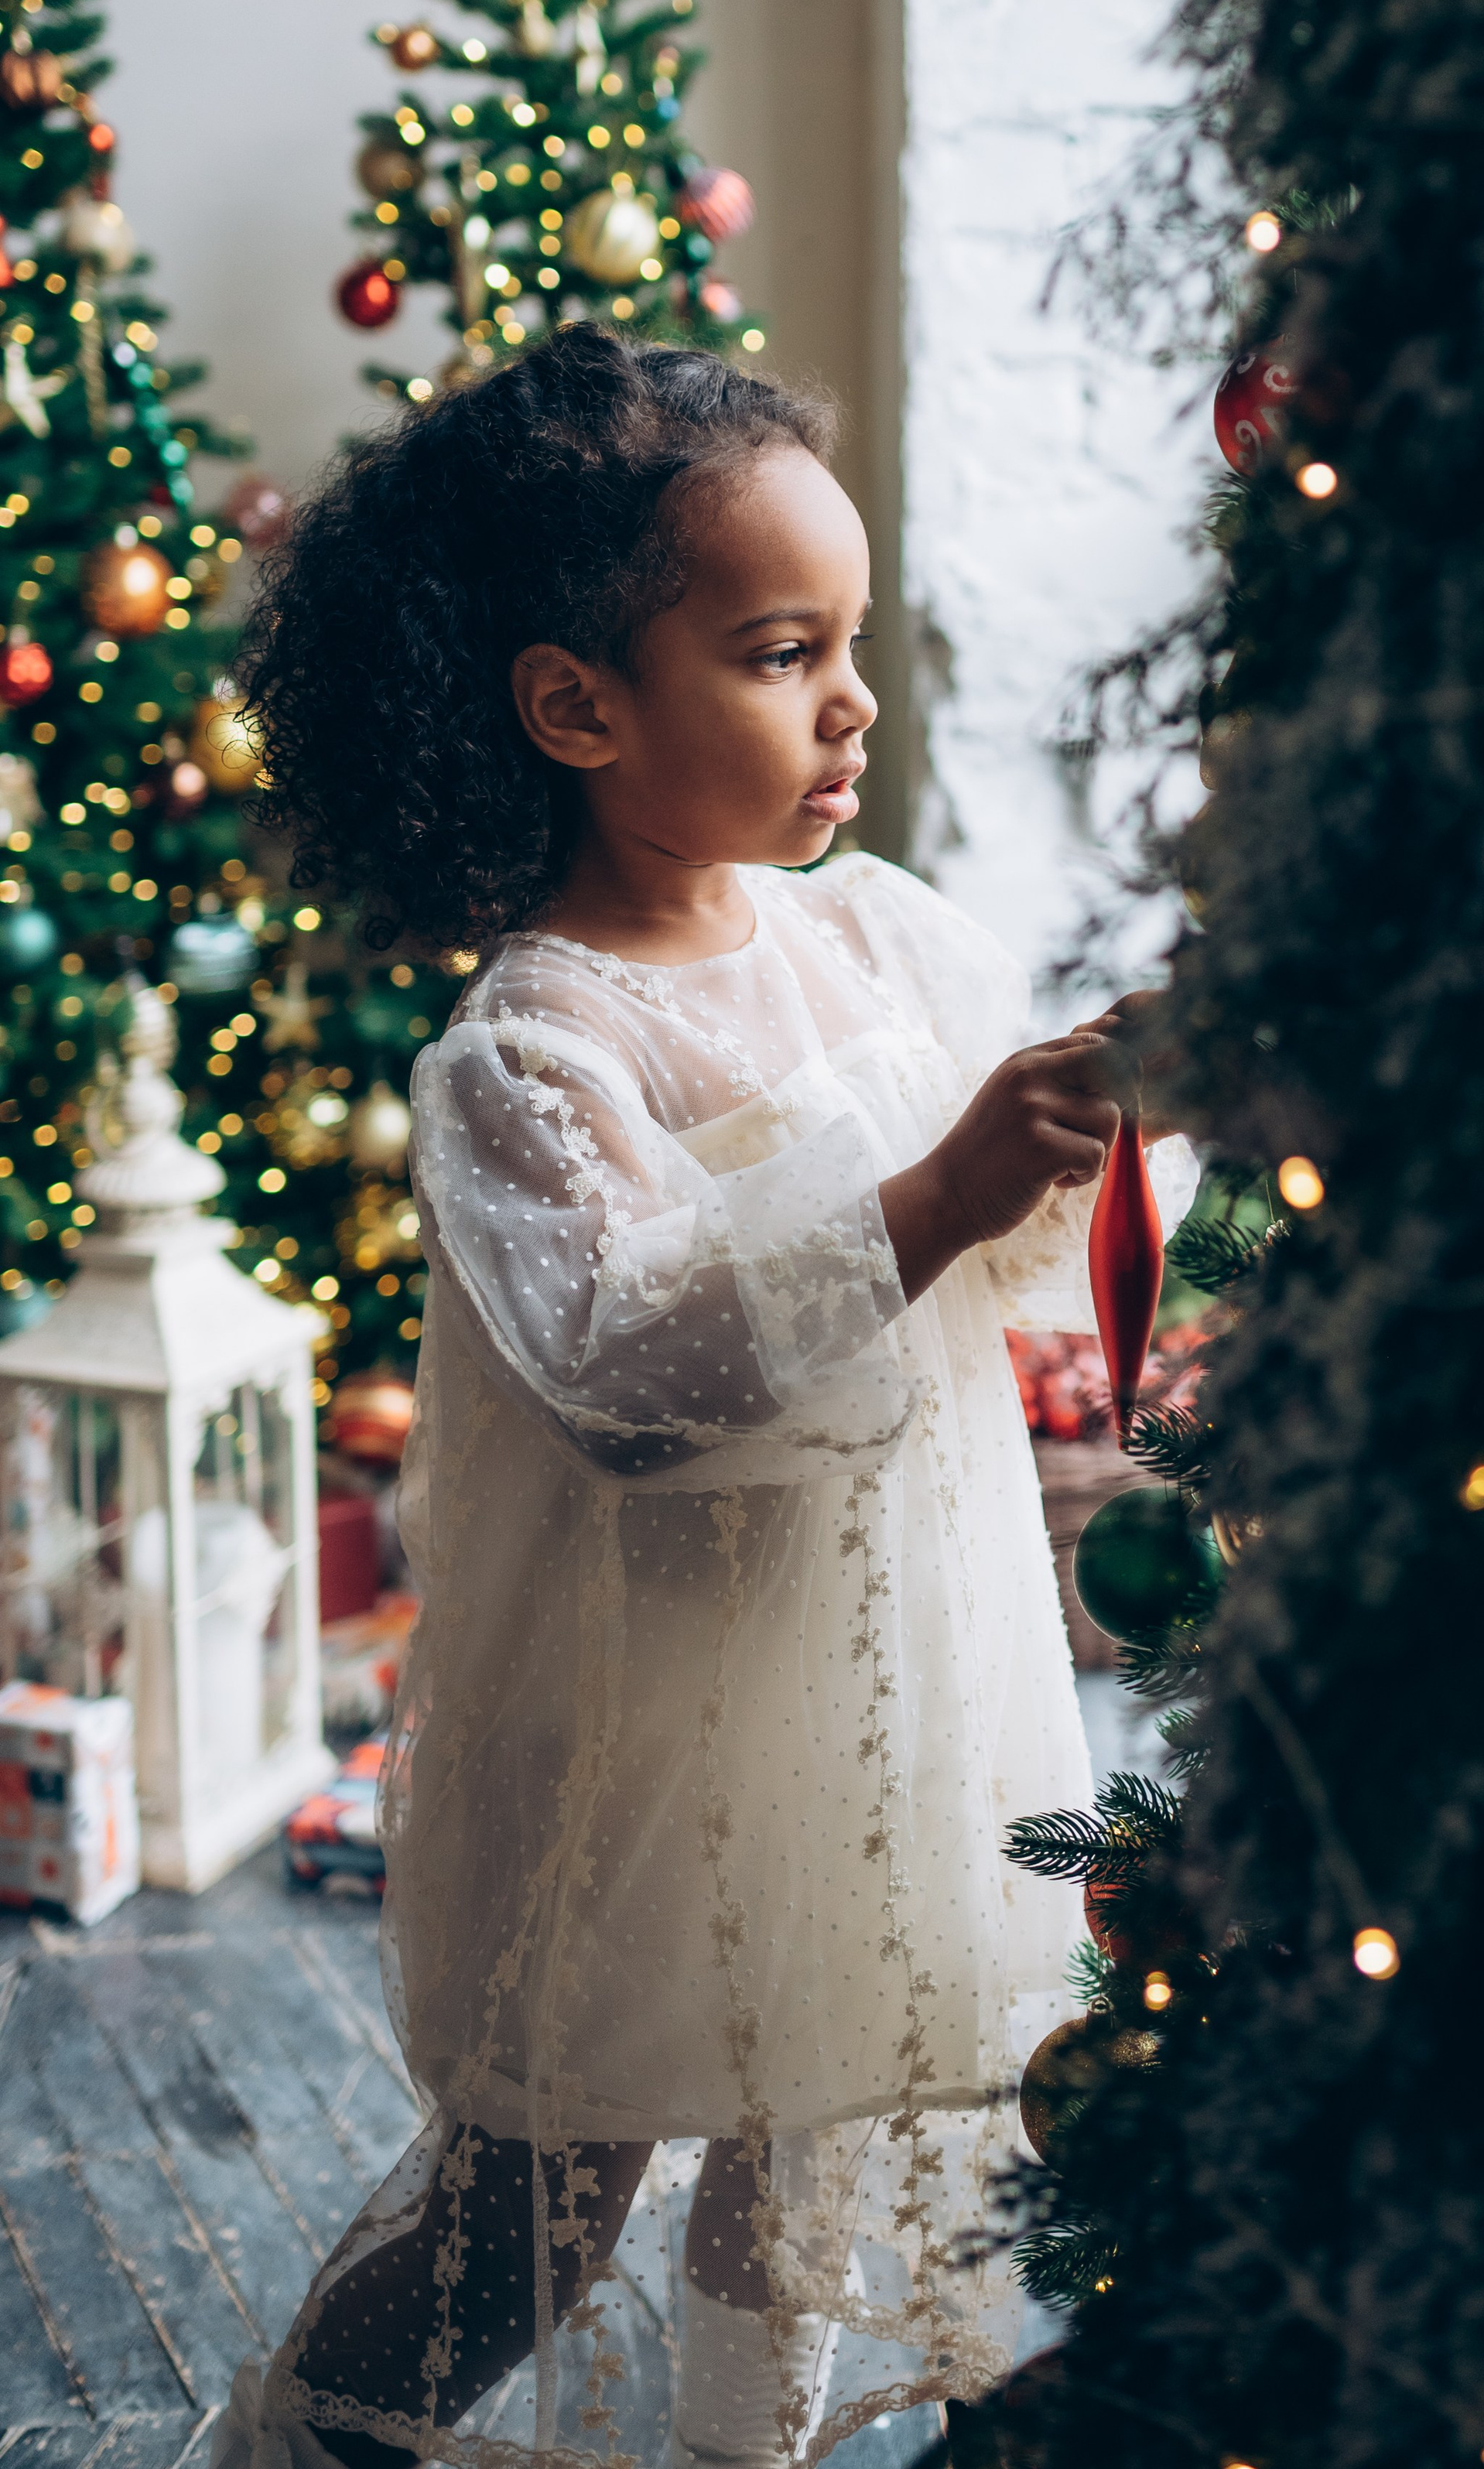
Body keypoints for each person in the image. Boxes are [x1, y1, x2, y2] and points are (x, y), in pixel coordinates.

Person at [210, 326, 1193, 2469]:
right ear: (576, 706)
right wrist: (936, 1185)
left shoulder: (878, 944)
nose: (852, 702)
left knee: (809, 2152)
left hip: (884, 1688)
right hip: (643, 1733)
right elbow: (627, 1370)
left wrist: (1087, 1125)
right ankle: (308, 2444)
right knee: (544, 2193)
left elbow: (1016, 1267)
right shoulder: (534, 1053)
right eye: (778, 652)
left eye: (851, 641)